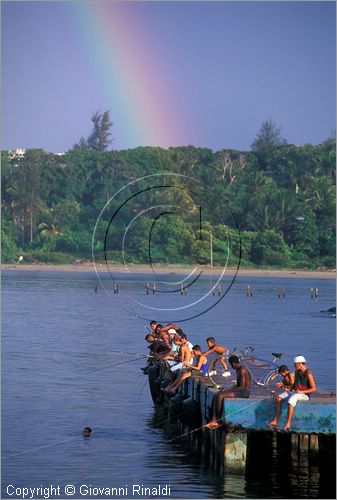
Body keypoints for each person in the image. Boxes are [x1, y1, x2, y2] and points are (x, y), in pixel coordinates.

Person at [267, 355, 316, 431]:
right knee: (278, 398)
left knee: (291, 400)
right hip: (296, 392)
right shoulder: (297, 372)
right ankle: (275, 421)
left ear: (300, 364)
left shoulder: (308, 373)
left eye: (295, 364)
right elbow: (294, 385)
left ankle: (287, 425)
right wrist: (283, 385)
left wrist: (302, 391)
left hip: (304, 394)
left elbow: (314, 388)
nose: (294, 366)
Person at [205, 355, 252, 429]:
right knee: (216, 395)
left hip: (244, 392)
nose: (231, 366)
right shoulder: (238, 370)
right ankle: (213, 418)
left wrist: (228, 391)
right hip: (240, 391)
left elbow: (242, 387)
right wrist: (226, 390)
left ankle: (218, 420)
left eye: (230, 364)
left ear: (233, 363)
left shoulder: (242, 370)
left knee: (220, 396)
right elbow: (238, 385)